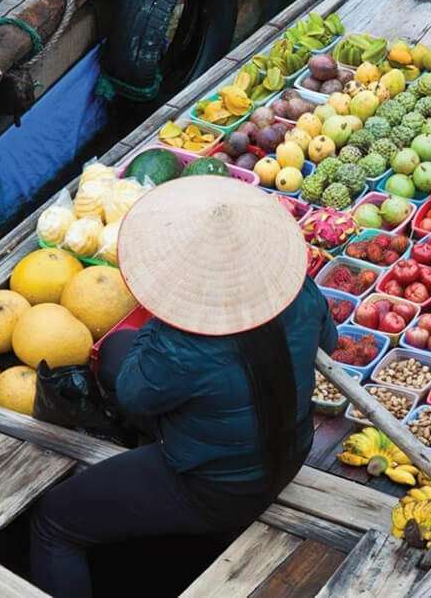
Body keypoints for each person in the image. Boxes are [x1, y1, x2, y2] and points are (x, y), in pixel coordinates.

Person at [30, 176, 337, 597]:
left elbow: (135, 395)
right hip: (291, 449)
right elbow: (328, 342)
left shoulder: (183, 343)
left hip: (218, 489)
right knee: (118, 348)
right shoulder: (299, 291)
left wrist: (163, 325)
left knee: (53, 523)